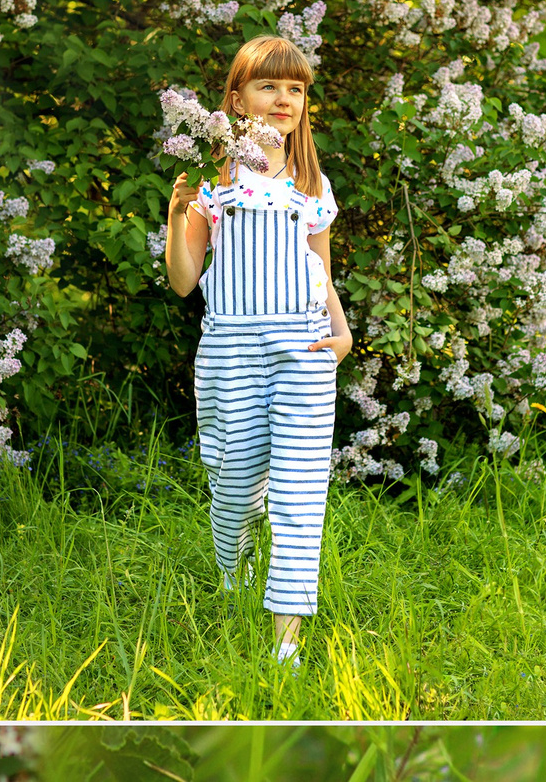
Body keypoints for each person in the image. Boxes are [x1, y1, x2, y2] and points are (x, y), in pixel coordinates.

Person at [162, 35, 353, 670]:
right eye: (268, 86)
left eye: (295, 89)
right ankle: (233, 575)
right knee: (235, 485)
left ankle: (285, 646)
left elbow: (320, 269)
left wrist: (342, 332)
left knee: (299, 495)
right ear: (237, 98)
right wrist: (177, 219)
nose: (283, 99)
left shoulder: (312, 182)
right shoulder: (216, 181)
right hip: (231, 350)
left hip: (304, 348)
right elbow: (184, 282)